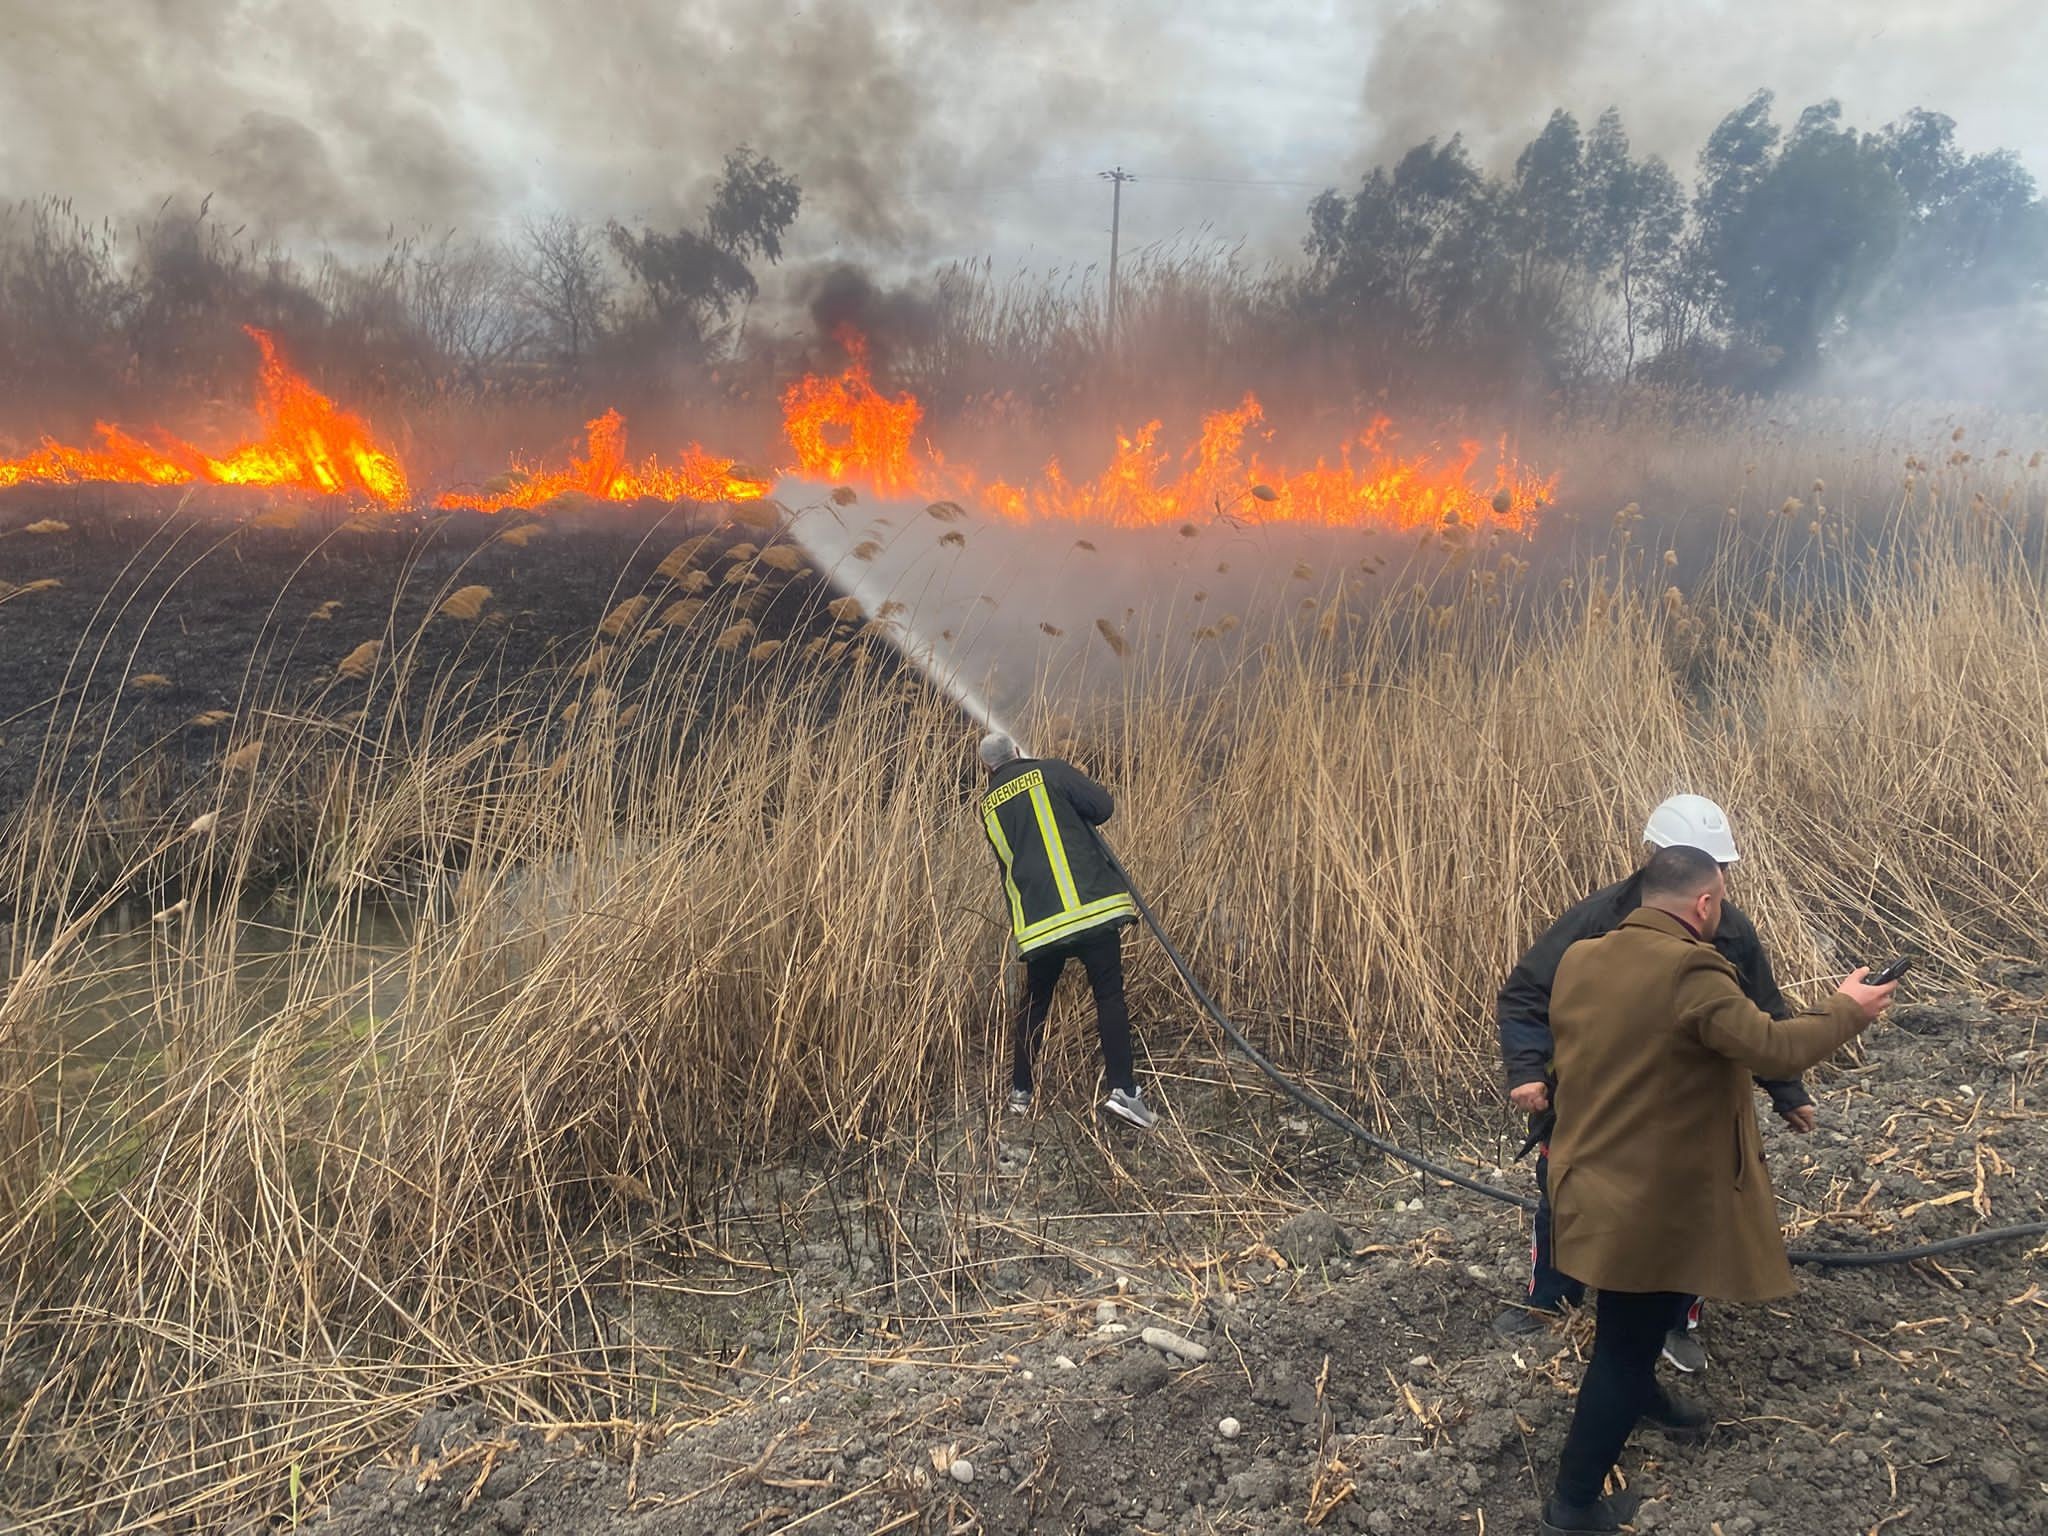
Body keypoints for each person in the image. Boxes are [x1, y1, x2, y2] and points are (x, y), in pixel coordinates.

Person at [1536, 844, 1895, 1535]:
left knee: (1652, 1307)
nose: (1722, 910)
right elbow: (1773, 1047)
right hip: (1646, 1203)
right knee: (1623, 1345)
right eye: (1721, 899)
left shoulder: (1584, 958)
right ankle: (1573, 1503)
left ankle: (1646, 1400)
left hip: (1591, 1181)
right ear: (1705, 904)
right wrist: (1848, 1009)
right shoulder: (1692, 967)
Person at [1494, 794, 1815, 1374]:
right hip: (1595, 1096)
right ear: (1662, 860)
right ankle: (1552, 1300)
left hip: (1680, 1104)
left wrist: (1786, 1090)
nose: (1717, 884)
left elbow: (1760, 1019)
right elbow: (1524, 995)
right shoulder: (1595, 920)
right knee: (1567, 1191)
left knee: (1690, 1203)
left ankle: (1675, 1322)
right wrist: (1527, 1071)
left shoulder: (1731, 933)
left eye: (1722, 868)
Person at [976, 732, 1156, 1129]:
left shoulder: (987, 806)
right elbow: (1103, 806)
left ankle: (1020, 1094)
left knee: (1034, 1004)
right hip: (1091, 909)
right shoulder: (1051, 772)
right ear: (1019, 752)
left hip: (1041, 926)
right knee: (1109, 997)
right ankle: (1124, 1093)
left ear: (987, 768)